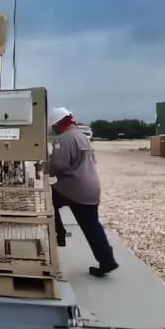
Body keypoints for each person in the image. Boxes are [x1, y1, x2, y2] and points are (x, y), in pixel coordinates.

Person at [47, 107, 119, 278]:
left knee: (46, 199)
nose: (54, 130)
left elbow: (59, 166)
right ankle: (107, 260)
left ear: (57, 124)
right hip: (90, 187)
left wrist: (46, 167)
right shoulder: (81, 136)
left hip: (75, 188)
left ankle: (59, 235)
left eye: (54, 126)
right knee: (92, 225)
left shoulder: (64, 139)